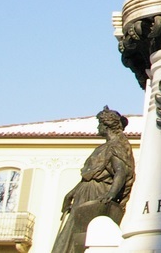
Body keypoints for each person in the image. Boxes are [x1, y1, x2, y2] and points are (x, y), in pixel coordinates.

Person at [51, 107, 135, 253]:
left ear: (106, 125)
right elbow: (89, 176)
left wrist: (111, 194)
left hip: (96, 193)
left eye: (99, 124)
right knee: (71, 234)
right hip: (85, 192)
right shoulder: (104, 147)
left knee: (83, 232)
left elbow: (120, 171)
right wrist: (72, 192)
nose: (98, 127)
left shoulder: (116, 146)